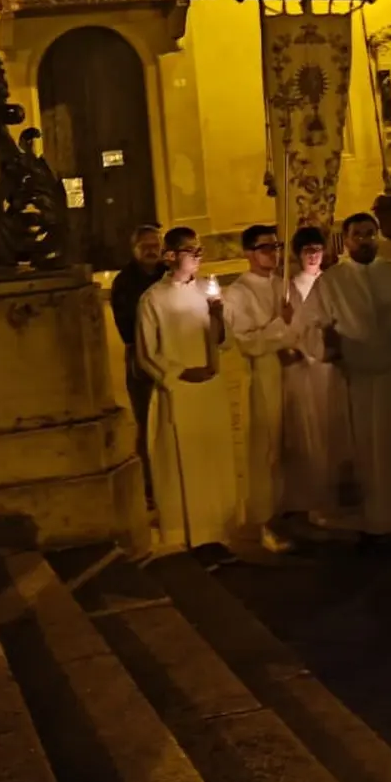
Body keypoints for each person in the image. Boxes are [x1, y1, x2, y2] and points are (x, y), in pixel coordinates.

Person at [317, 213, 391, 548]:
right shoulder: (331, 281)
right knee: (364, 453)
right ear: (346, 239)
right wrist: (327, 343)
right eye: (358, 235)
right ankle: (371, 525)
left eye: (370, 234)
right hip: (357, 381)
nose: (366, 239)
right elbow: (311, 325)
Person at [137, 228, 238, 556]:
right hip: (179, 392)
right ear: (171, 256)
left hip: (209, 390)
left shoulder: (206, 292)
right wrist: (180, 372)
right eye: (190, 250)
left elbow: (222, 341)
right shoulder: (153, 298)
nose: (198, 256)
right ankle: (190, 534)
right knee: (185, 464)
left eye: (200, 250)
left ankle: (216, 531)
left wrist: (218, 316)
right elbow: (147, 352)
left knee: (213, 459)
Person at [221, 224, 294, 552]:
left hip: (293, 373)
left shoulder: (283, 284)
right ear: (249, 253)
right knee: (267, 450)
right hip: (264, 375)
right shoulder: (238, 293)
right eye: (266, 248)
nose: (274, 253)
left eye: (276, 246)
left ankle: (289, 510)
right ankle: (264, 522)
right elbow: (248, 342)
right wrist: (283, 326)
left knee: (292, 446)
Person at [277, 227, 353, 523]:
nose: (313, 255)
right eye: (307, 250)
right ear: (297, 254)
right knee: (312, 432)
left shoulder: (333, 283)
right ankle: (315, 496)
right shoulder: (290, 287)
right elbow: (294, 328)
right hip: (307, 367)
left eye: (317, 249)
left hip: (334, 365)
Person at [109, 225, 167, 502]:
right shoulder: (124, 282)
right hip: (142, 359)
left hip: (173, 353)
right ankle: (150, 485)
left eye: (155, 244)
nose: (151, 250)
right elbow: (126, 327)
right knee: (147, 421)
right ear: (134, 249)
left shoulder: (167, 274)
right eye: (145, 245)